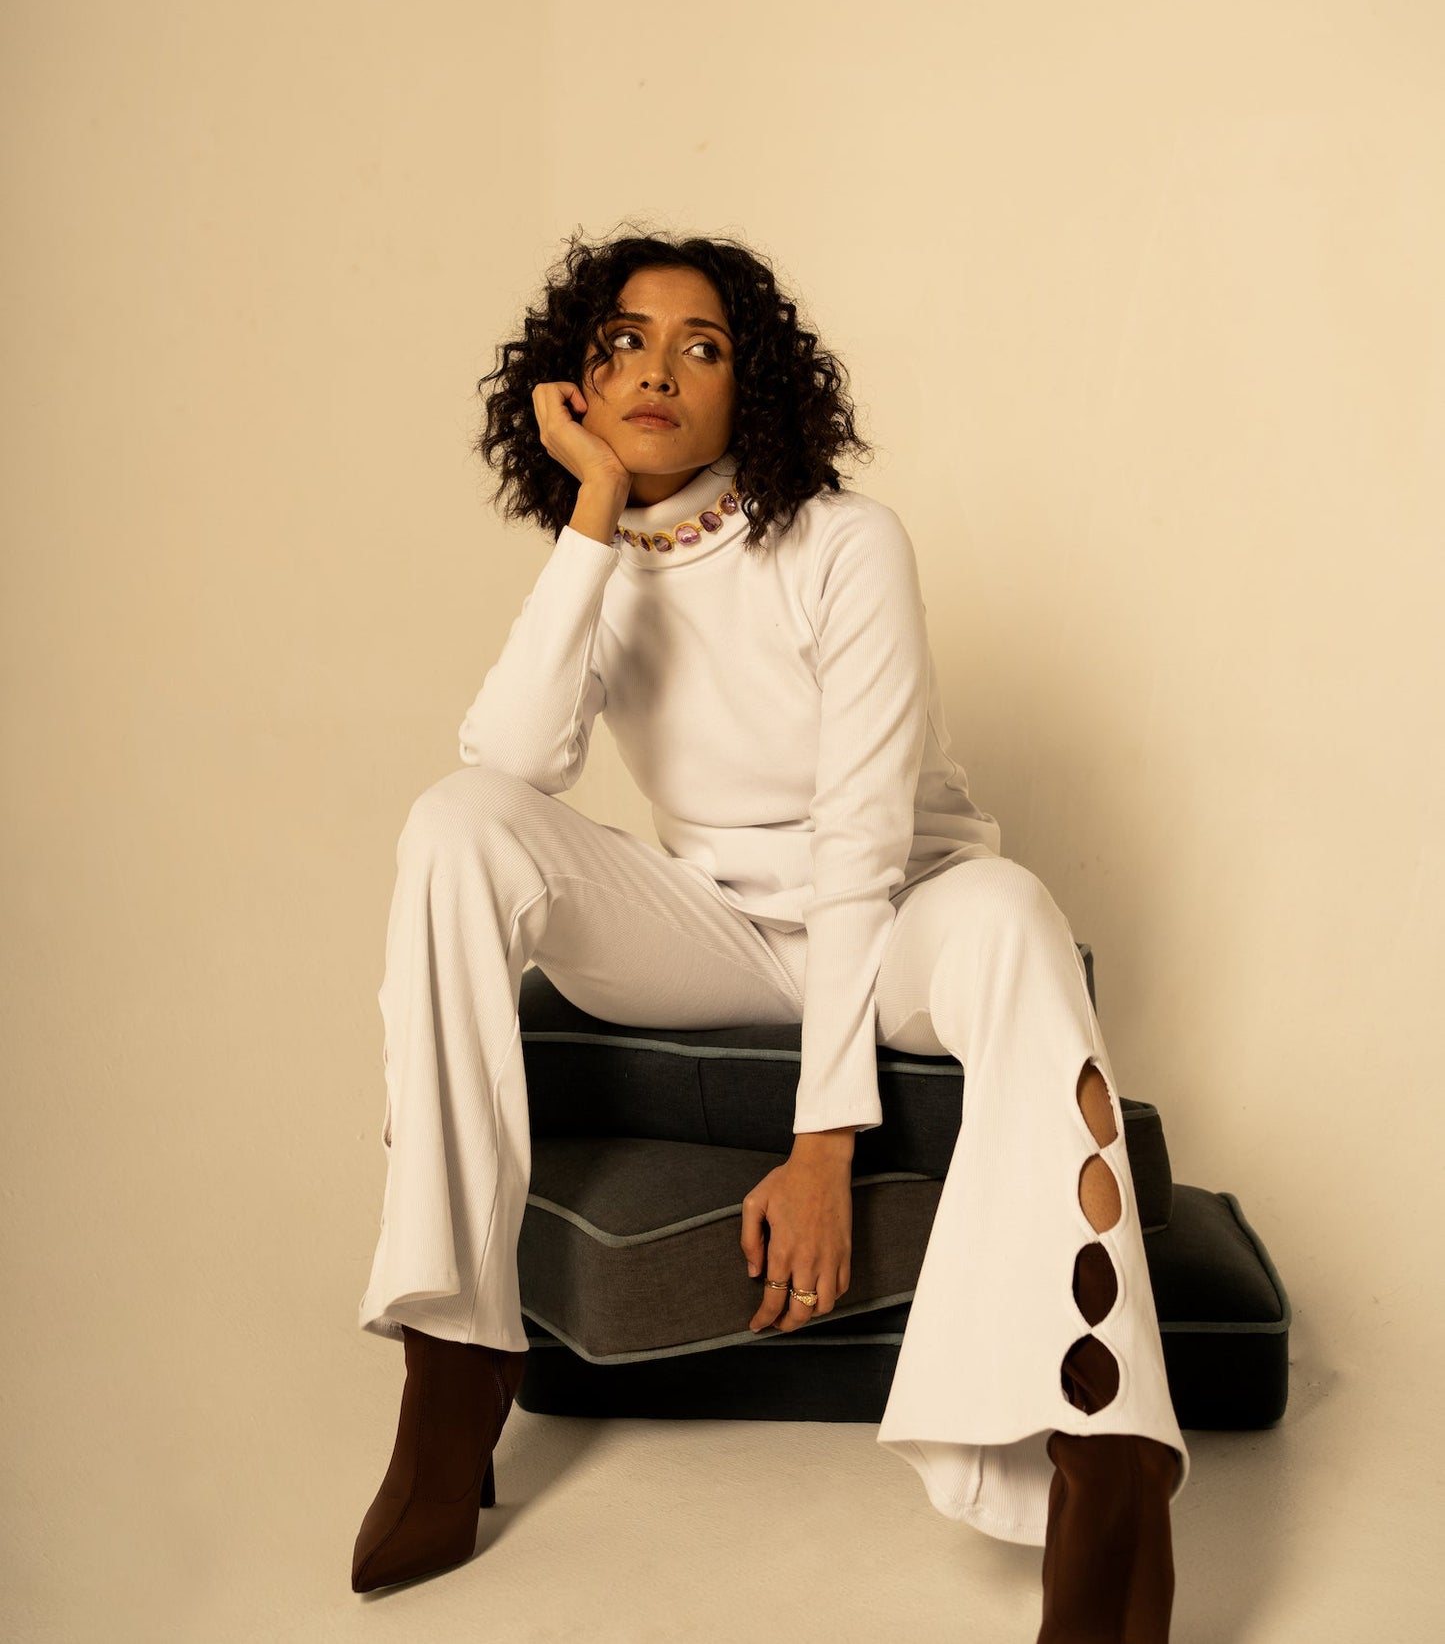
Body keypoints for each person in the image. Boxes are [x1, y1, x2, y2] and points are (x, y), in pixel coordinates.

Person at [350, 226, 1190, 1639]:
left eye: (703, 347)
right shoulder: (602, 564)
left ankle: (1104, 1453)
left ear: (754, 389)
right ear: (576, 382)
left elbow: (858, 840)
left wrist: (822, 1143)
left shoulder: (846, 543)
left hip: (903, 919)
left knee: (1013, 915)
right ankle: (452, 1358)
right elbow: (510, 761)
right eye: (625, 341)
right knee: (454, 824)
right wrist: (593, 512)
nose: (659, 370)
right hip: (713, 934)